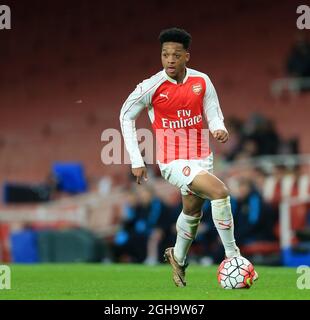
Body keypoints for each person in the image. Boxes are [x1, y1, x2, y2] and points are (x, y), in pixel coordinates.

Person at [120, 27, 257, 287]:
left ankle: (178, 256)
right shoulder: (151, 86)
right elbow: (126, 115)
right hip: (172, 160)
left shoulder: (202, 81)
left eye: (175, 54)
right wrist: (136, 160)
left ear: (186, 57)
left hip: (201, 156)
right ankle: (234, 258)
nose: (170, 59)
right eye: (165, 55)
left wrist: (219, 127)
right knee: (220, 192)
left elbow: (213, 111)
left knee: (192, 212)